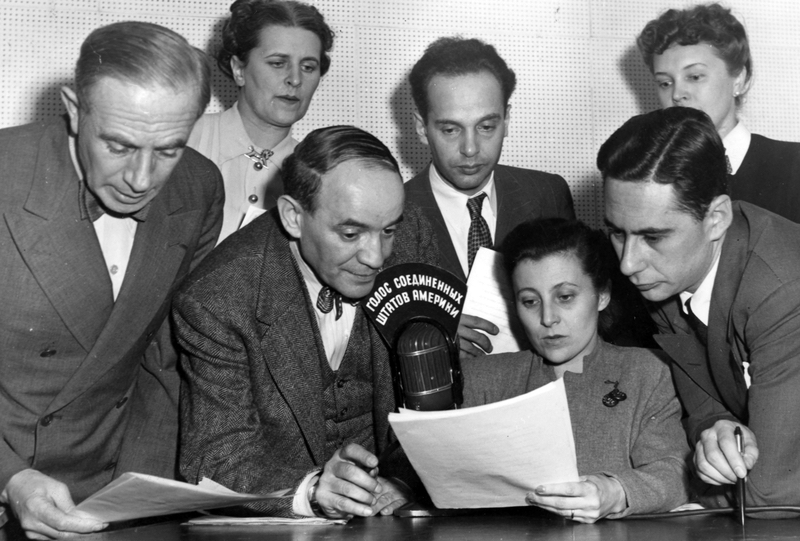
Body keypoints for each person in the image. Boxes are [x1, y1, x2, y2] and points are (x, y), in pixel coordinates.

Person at [0, 21, 223, 538]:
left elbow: (165, 363)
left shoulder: (199, 185)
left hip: (111, 494)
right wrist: (10, 479)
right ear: (75, 110)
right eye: (119, 146)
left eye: (169, 148)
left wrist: (137, 499)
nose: (142, 180)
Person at [175, 125, 437, 518]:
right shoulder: (217, 299)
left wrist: (402, 481)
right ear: (293, 217)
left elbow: (435, 405)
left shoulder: (412, 236)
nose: (377, 257)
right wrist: (312, 490)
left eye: (387, 231)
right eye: (350, 233)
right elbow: (214, 458)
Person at [600, 106, 800, 513]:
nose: (628, 263)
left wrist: (673, 490)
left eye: (653, 236)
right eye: (618, 233)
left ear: (716, 219)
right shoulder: (667, 271)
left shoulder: (784, 291)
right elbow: (704, 411)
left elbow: (771, 499)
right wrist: (718, 432)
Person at [461, 218, 690, 522]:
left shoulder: (647, 372)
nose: (547, 318)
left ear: (602, 295)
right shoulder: (482, 378)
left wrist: (615, 491)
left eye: (565, 297)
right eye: (529, 301)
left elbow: (674, 472)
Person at [404, 36, 575, 358]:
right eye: (451, 129)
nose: (470, 149)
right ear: (421, 127)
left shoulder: (548, 194)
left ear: (507, 120)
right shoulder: (391, 212)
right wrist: (426, 334)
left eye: (486, 127)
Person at [638, 3, 800, 222]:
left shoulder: (793, 166)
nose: (677, 94)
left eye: (695, 77)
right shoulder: (649, 174)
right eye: (665, 82)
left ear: (739, 80)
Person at [190, 0, 334, 243]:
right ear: (238, 69)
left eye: (308, 67)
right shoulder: (183, 140)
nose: (295, 80)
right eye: (278, 63)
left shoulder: (320, 172)